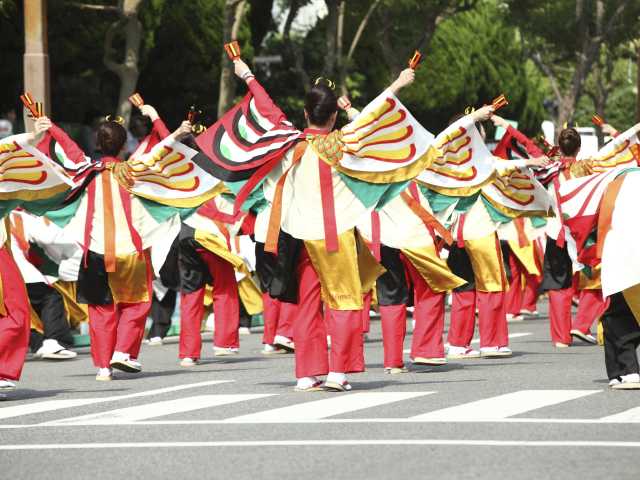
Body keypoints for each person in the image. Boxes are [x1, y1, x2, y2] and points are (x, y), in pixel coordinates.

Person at [228, 56, 427, 391]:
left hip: (297, 238)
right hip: (334, 237)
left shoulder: (286, 143)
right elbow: (375, 117)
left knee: (305, 305)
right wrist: (398, 84)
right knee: (345, 301)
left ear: (305, 114)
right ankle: (338, 372)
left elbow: (267, 108)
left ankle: (307, 373)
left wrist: (245, 73)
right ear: (334, 116)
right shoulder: (341, 143)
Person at [35, 110, 190, 381]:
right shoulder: (130, 168)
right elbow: (160, 153)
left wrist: (51, 127)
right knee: (136, 305)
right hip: (130, 251)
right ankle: (123, 352)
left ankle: (104, 367)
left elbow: (69, 149)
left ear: (97, 143)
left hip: (94, 252)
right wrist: (177, 132)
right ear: (122, 146)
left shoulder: (86, 169)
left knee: (100, 309)